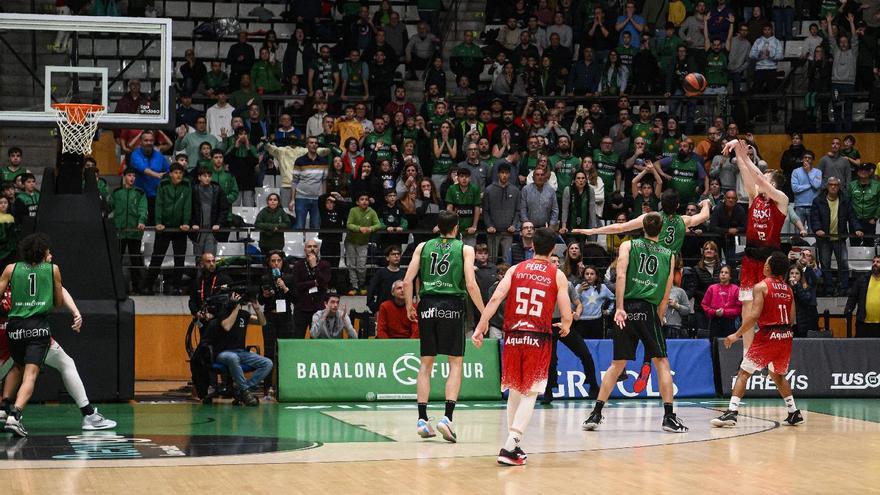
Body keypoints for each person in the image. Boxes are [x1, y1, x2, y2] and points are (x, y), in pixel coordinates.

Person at [473, 227, 573, 466]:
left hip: (513, 335)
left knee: (516, 389)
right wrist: (566, 324)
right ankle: (511, 443)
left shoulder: (516, 269)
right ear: (552, 249)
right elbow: (566, 311)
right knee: (531, 391)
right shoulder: (556, 274)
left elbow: (496, 297)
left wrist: (481, 325)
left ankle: (513, 445)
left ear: (532, 246)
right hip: (537, 335)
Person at [582, 212, 688, 433]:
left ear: (642, 227)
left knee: (617, 364)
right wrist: (660, 313)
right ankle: (669, 416)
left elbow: (620, 275)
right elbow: (667, 287)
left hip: (627, 308)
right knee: (662, 363)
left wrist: (619, 307)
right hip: (648, 308)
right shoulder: (669, 254)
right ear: (660, 230)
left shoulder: (628, 246)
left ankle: (596, 413)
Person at [403, 211, 485, 443]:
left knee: (426, 363)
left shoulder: (422, 246)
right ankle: (447, 418)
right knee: (455, 362)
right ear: (457, 228)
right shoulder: (465, 249)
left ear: (438, 227)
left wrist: (410, 305)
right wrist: (484, 314)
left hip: (427, 304)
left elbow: (407, 280)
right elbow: (470, 283)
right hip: (451, 304)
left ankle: (422, 419)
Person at [0, 286, 116, 431]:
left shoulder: (12, 272)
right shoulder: (46, 271)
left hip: (10, 330)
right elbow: (60, 293)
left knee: (18, 365)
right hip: (32, 330)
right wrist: (75, 312)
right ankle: (89, 414)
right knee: (59, 365)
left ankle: (4, 408)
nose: (50, 260)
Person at [712, 252, 804, 428]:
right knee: (777, 375)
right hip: (785, 336)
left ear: (768, 267)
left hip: (768, 335)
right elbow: (792, 319)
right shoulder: (788, 289)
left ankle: (731, 412)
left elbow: (753, 316)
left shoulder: (761, 286)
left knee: (744, 372)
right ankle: (794, 412)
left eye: (766, 261)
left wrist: (736, 334)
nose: (764, 264)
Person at [722, 139, 789, 358]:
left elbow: (758, 176)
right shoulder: (754, 198)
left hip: (769, 261)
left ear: (773, 184)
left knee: (767, 311)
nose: (760, 182)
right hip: (750, 259)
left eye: (766, 180)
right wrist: (740, 153)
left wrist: (747, 155)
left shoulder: (781, 200)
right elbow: (745, 172)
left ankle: (770, 351)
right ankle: (748, 354)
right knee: (747, 309)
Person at [0, 233, 64, 436]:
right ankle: (15, 416)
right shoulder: (53, 269)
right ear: (43, 253)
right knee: (31, 374)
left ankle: (3, 407)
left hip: (15, 327)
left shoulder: (11, 268)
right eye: (48, 251)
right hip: (38, 326)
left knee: (17, 367)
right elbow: (58, 302)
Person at [203, 291, 271, 406]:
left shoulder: (244, 314)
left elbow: (262, 322)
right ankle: (245, 392)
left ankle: (243, 390)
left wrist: (257, 308)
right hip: (223, 353)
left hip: (241, 352)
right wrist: (235, 308)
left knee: (267, 363)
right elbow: (227, 326)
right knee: (233, 358)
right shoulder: (223, 312)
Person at [258, 250, 294, 398]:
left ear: (282, 262)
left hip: (285, 318)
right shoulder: (265, 278)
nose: (276, 263)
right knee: (269, 352)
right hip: (270, 317)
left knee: (286, 352)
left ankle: (285, 385)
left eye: (278, 260)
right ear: (269, 263)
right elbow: (260, 301)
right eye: (273, 261)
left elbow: (295, 298)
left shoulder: (289, 278)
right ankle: (267, 388)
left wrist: (285, 288)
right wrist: (265, 295)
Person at [810, 176, 853, 297]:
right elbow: (814, 217)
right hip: (824, 239)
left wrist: (858, 229)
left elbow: (851, 216)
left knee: (843, 265)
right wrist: (817, 229)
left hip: (840, 238)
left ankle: (843, 288)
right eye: (831, 184)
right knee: (825, 265)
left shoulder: (845, 199)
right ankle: (828, 289)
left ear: (839, 187)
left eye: (836, 185)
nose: (833, 187)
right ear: (827, 186)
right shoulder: (818, 200)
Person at [109, 167, 147, 294]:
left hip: (134, 232)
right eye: (130, 175)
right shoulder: (116, 193)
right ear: (124, 176)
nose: (132, 178)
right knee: (116, 260)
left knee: (135, 260)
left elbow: (143, 208)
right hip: (119, 232)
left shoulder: (140, 193)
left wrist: (141, 220)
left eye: (134, 176)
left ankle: (138, 288)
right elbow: (109, 207)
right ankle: (115, 288)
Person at [291, 239, 331, 339]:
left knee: (317, 341)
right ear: (305, 249)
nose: (312, 248)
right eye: (309, 246)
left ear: (318, 249)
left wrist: (314, 266)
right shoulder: (298, 265)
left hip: (318, 309)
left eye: (315, 246)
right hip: (301, 309)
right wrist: (314, 283)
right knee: (298, 339)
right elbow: (296, 286)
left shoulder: (324, 265)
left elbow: (324, 282)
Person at [345, 193, 381, 295]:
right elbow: (349, 224)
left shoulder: (372, 211)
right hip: (350, 242)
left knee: (361, 265)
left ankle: (362, 284)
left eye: (366, 199)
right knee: (351, 265)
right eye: (362, 199)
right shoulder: (353, 210)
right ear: (357, 202)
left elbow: (378, 224)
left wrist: (371, 228)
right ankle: (354, 286)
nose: (364, 201)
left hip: (363, 243)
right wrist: (359, 229)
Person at [701, 265, 741, 339]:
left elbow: (739, 308)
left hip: (730, 322)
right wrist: (714, 312)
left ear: (730, 276)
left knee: (728, 347)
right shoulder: (712, 288)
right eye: (721, 272)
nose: (723, 274)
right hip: (715, 321)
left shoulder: (736, 289)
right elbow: (704, 305)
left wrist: (725, 312)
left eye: (726, 273)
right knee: (714, 346)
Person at [845, 255, 880, 338]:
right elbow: (852, 297)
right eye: (873, 262)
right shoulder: (863, 279)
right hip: (864, 323)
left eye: (878, 262)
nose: (875, 264)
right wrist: (847, 312)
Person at [367, 245, 404, 313]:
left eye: (398, 254)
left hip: (400, 310)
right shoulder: (380, 273)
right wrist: (375, 310)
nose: (396, 256)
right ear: (387, 258)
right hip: (383, 310)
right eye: (393, 254)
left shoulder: (404, 274)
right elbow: (370, 291)